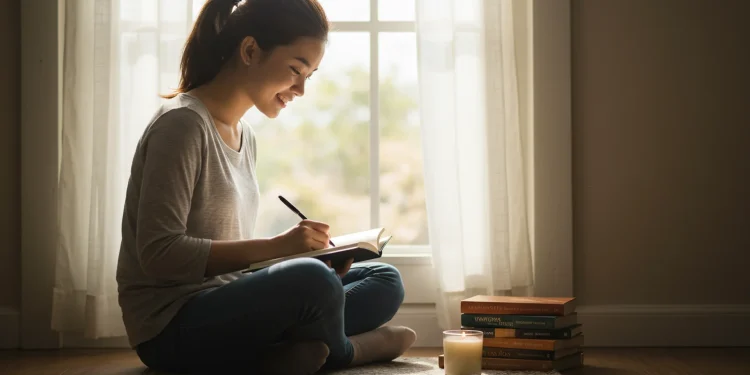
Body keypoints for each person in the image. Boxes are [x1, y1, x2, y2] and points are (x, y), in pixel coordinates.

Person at [115, 0, 417, 373]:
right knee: (312, 282)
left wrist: (300, 256)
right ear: (250, 50)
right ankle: (346, 352)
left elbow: (229, 262)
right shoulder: (182, 126)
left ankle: (278, 354)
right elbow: (159, 254)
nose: (301, 89)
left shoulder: (246, 135)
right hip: (172, 327)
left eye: (310, 75)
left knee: (382, 279)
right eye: (295, 69)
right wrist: (280, 249)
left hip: (228, 301)